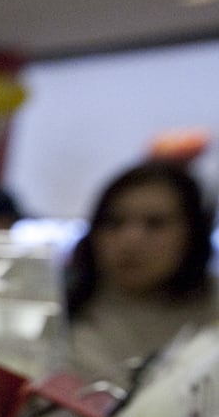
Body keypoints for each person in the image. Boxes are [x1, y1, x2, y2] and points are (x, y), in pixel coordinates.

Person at [63, 160, 217, 385]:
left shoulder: (214, 312)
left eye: (155, 224)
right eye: (114, 223)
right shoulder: (59, 317)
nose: (130, 241)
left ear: (193, 234)